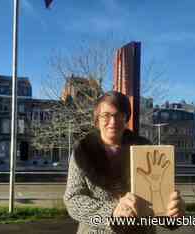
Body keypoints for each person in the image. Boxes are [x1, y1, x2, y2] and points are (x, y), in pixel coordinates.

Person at [64, 91, 185, 234]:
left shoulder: (146, 150)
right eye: (106, 115)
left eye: (119, 115)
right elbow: (73, 199)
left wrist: (173, 212)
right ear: (97, 119)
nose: (113, 121)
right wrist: (112, 212)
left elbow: (159, 209)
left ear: (126, 117)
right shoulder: (82, 151)